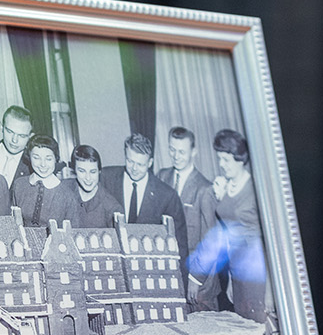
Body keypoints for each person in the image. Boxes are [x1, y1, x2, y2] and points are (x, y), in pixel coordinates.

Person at [198, 129, 267, 322]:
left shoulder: (255, 189)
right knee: (242, 319)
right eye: (220, 159)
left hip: (254, 268)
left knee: (260, 323)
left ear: (239, 158)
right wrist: (220, 197)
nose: (221, 165)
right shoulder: (225, 185)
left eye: (226, 160)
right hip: (234, 266)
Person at [161, 127, 212, 302]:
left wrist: (195, 277)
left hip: (198, 283)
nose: (176, 156)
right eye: (172, 149)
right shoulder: (161, 176)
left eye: (182, 151)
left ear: (194, 152)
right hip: (169, 275)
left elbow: (209, 240)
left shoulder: (205, 188)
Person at [102, 134, 179, 237]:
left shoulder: (167, 195)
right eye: (130, 161)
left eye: (140, 164)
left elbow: (178, 240)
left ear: (150, 163)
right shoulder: (105, 178)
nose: (134, 168)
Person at [9, 136, 72, 226]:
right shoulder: (19, 185)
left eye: (48, 159)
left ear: (56, 159)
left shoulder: (67, 194)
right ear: (29, 157)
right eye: (36, 158)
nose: (43, 164)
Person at [56, 145, 123, 229]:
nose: (88, 178)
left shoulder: (112, 208)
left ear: (99, 171)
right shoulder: (62, 189)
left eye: (93, 172)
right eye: (82, 171)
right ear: (74, 170)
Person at [0, 107, 36, 186]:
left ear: (30, 136)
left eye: (22, 136)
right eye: (10, 132)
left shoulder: (35, 163)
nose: (14, 140)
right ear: (1, 127)